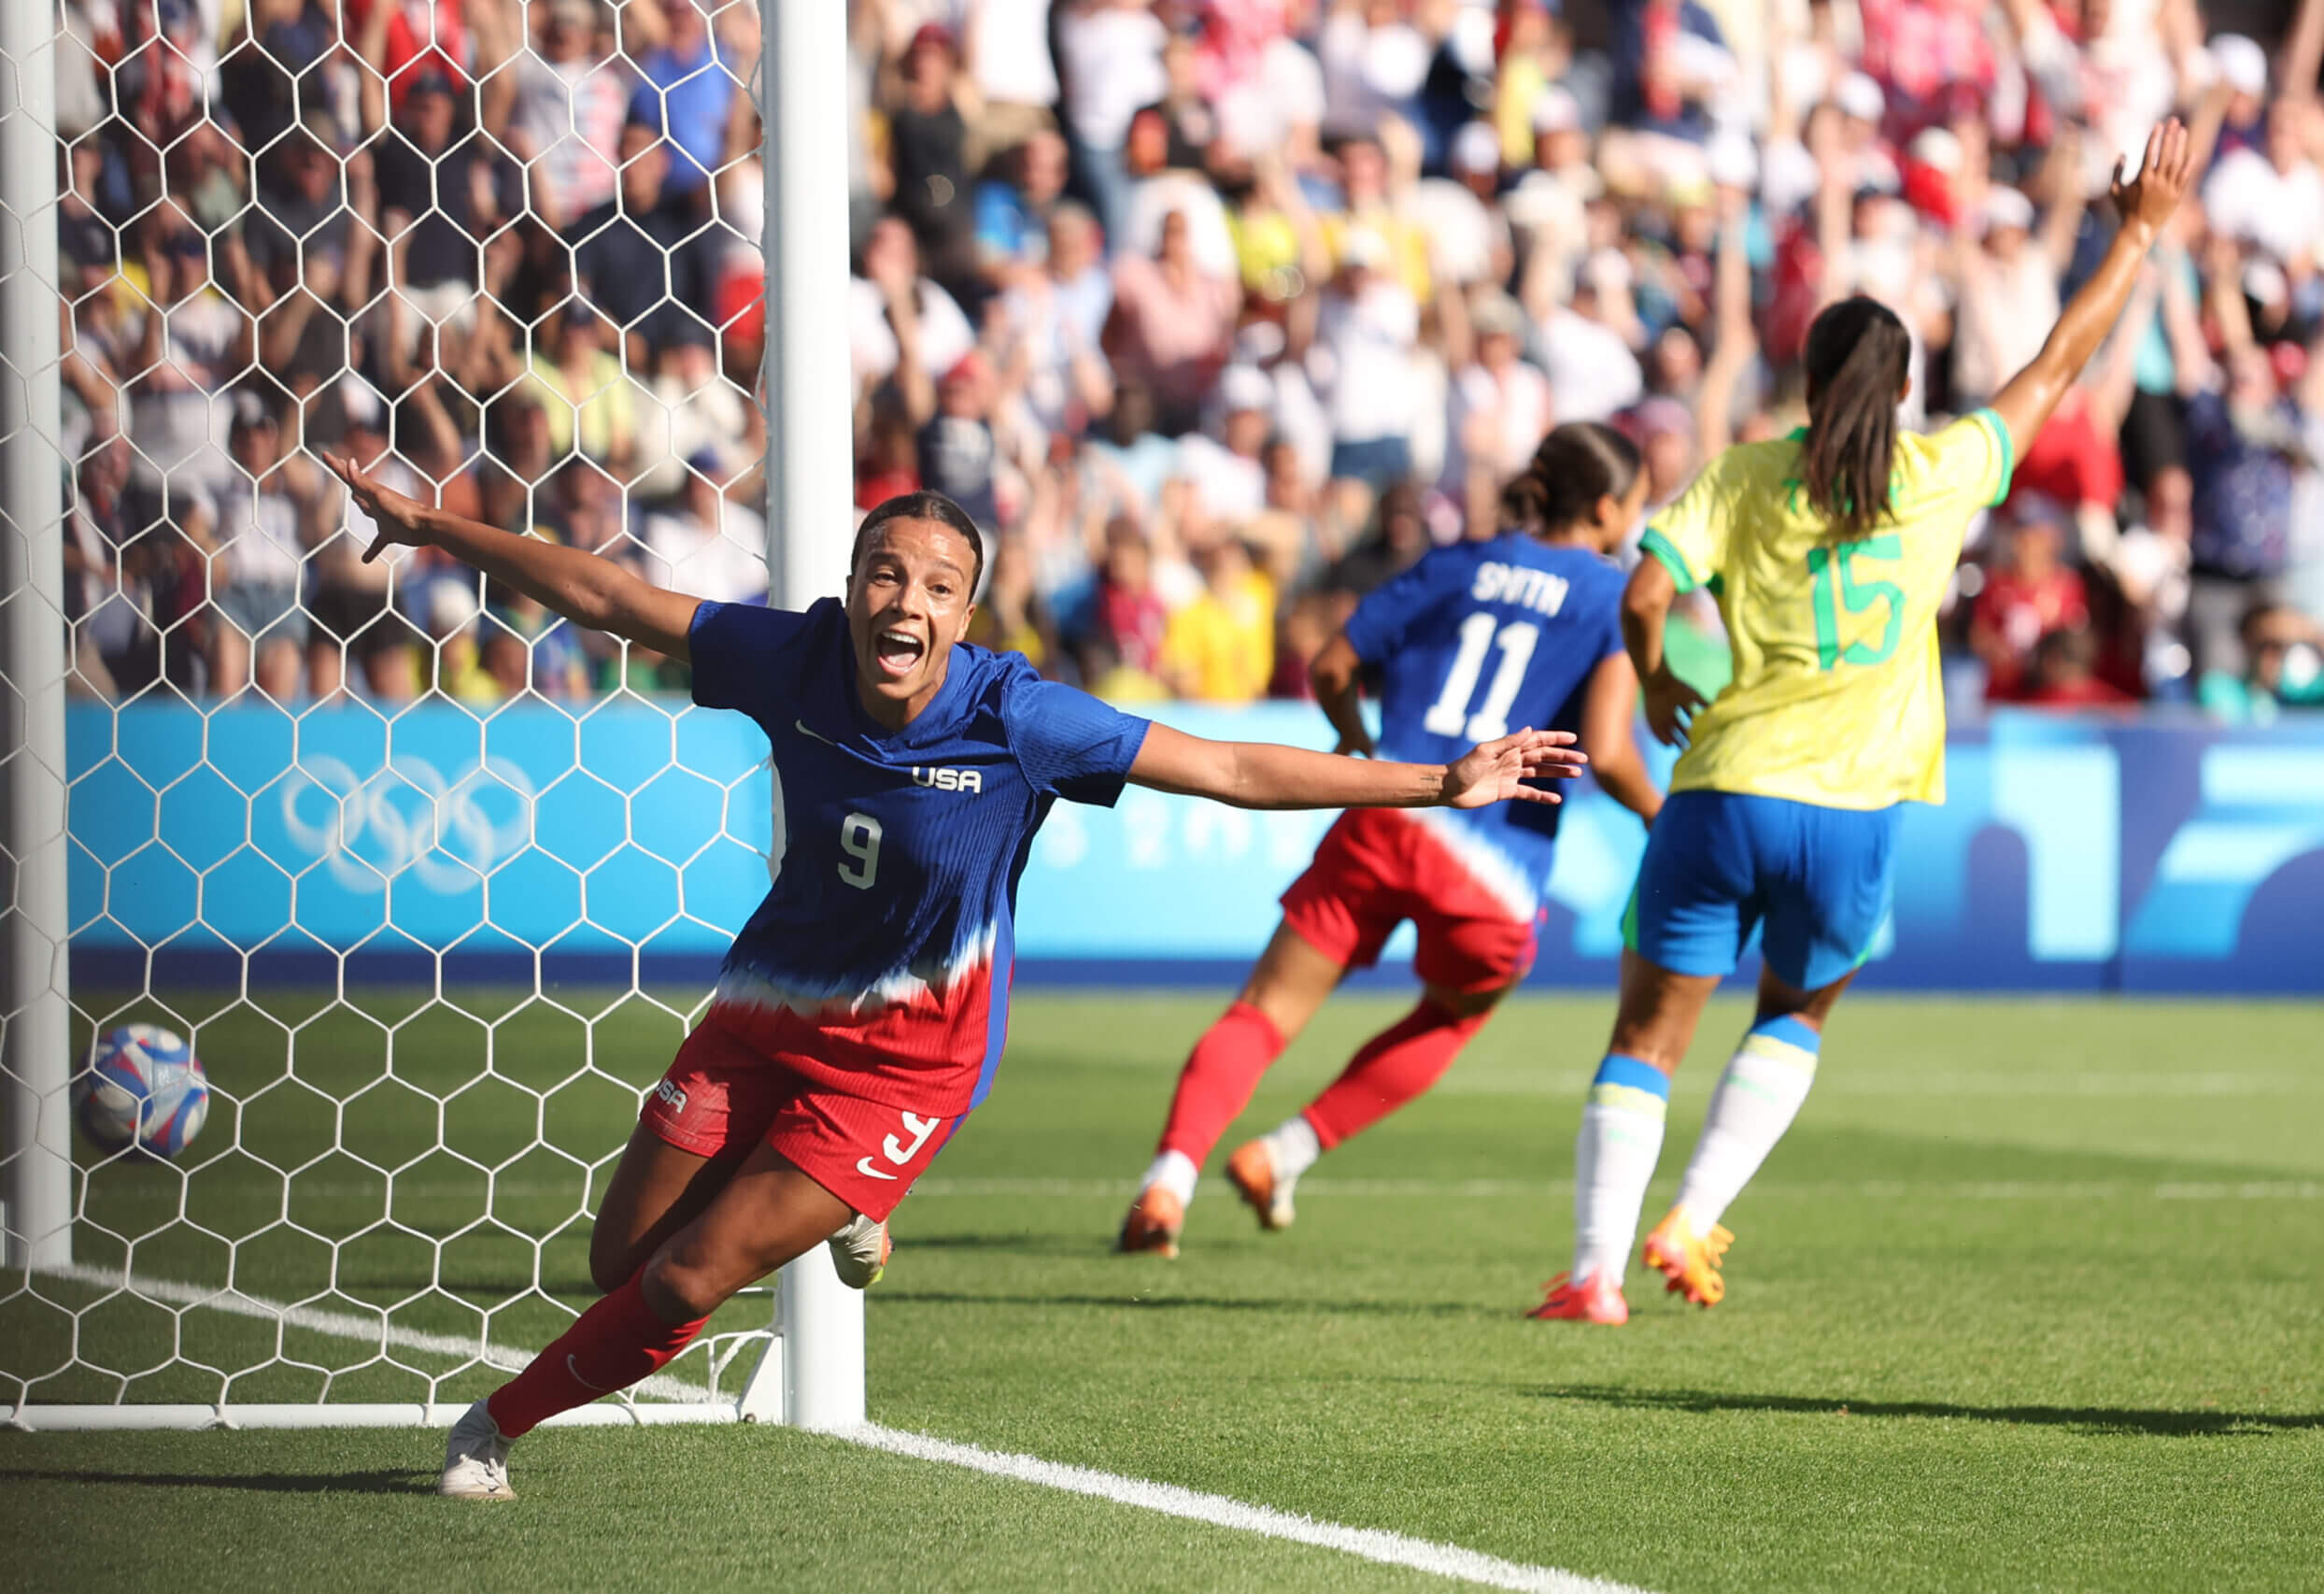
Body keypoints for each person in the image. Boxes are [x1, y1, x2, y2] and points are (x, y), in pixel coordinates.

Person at [320, 472, 1589, 1500]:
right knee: (621, 1264)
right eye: (887, 571)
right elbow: (611, 596)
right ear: (853, 585)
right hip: (764, 1014)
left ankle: (490, 1426)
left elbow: (1235, 772)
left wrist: (1438, 778)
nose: (905, 599)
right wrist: (433, 526)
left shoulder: (1019, 717)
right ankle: (843, 1210)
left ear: (966, 616)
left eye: (938, 584)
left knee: (693, 1277)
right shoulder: (797, 659)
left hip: (906, 1066)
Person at [1530, 121, 2197, 1326]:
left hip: (1725, 783)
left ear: (1801, 378)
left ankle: (1594, 1273)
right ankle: (1696, 1212)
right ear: (1901, 390)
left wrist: (1657, 674)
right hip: (1854, 806)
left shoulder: (1740, 476)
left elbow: (1643, 588)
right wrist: (2137, 233)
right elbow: (2056, 362)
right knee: (1791, 1016)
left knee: (1648, 1031)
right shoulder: (1939, 472)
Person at [1118, 422, 1667, 1256]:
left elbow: (1332, 666)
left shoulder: (1456, 563)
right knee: (1451, 1017)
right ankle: (1285, 1152)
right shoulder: (1607, 596)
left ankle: (1167, 1183)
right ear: (1605, 507)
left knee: (1265, 1011)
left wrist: (1357, 744)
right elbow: (1611, 747)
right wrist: (1665, 819)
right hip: (1498, 864)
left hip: (1393, 809)